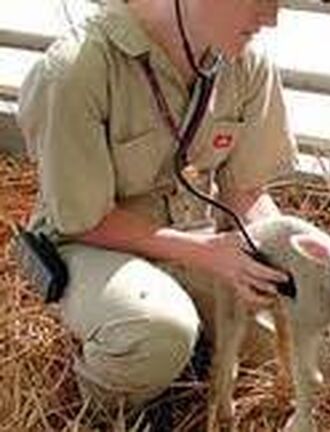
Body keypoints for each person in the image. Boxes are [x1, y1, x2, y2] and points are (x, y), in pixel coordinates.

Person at [16, 0, 295, 417]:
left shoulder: (245, 63)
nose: (271, 19)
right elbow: (82, 219)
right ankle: (98, 409)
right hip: (92, 245)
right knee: (157, 332)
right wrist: (208, 254)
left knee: (307, 342)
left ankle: (187, 352)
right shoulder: (76, 70)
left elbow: (246, 193)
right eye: (260, 1)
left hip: (195, 243)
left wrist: (287, 258)